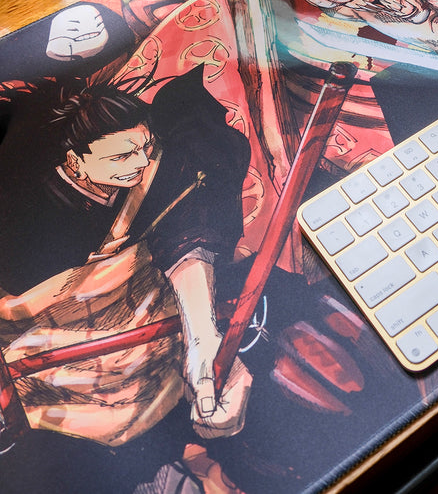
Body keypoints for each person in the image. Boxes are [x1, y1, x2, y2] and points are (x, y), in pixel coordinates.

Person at [0, 67, 252, 471]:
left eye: (145, 147)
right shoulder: (25, 207)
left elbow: (183, 234)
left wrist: (202, 336)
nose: (141, 162)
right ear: (74, 161)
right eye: (121, 156)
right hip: (43, 355)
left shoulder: (156, 172)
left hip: (151, 335)